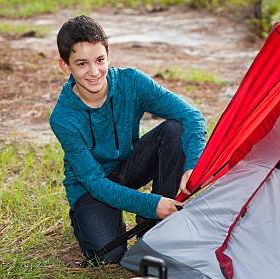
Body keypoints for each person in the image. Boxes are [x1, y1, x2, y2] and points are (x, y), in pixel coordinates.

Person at [49, 16, 205, 265]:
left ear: (108, 55)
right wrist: (151, 203)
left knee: (174, 130)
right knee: (109, 254)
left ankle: (152, 226)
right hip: (92, 187)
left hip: (127, 167)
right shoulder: (63, 118)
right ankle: (85, 216)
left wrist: (194, 163)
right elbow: (95, 183)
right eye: (81, 63)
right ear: (64, 65)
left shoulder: (131, 82)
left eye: (100, 60)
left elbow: (191, 117)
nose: (94, 72)